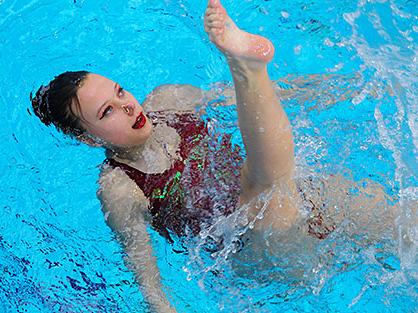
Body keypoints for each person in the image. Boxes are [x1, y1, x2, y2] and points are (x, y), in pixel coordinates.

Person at [31, 0, 406, 312]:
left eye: (120, 91)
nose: (127, 106)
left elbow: (270, 99)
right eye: (107, 112)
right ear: (88, 140)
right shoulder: (119, 187)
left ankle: (249, 71)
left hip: (305, 195)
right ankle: (247, 67)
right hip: (260, 248)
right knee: (264, 185)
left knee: (407, 224)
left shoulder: (169, 100)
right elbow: (143, 267)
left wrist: (354, 85)